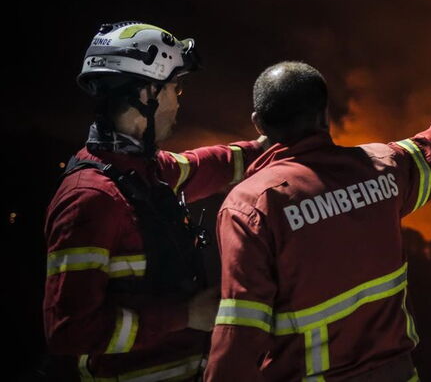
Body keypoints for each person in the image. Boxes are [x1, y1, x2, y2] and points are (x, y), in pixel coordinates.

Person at [204, 62, 431, 381]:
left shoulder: (252, 205)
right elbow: (428, 151)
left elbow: (241, 331)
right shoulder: (380, 167)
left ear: (258, 123)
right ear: (324, 115)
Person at [44, 22, 266, 381]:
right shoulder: (91, 200)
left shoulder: (145, 171)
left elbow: (204, 165)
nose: (178, 100)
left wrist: (267, 146)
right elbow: (68, 331)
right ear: (148, 93)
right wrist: (186, 315)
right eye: (175, 87)